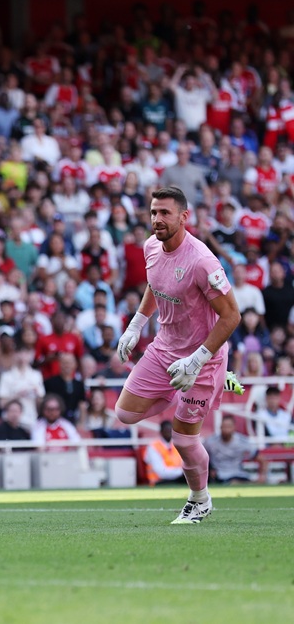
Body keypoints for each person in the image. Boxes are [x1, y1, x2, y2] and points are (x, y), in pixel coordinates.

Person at [116, 186, 241, 524]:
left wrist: (198, 361)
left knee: (184, 439)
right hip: (165, 348)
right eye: (154, 212)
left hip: (203, 357)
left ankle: (199, 500)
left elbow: (232, 316)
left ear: (184, 217)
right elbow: (156, 285)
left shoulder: (202, 261)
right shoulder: (151, 247)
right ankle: (187, 389)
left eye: (165, 213)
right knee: (124, 414)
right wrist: (136, 325)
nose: (157, 219)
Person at [204, 415, 265, 484]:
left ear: (234, 427)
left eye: (229, 426)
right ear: (220, 427)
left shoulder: (242, 441)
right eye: (224, 426)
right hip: (219, 476)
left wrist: (262, 475)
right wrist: (210, 469)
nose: (226, 429)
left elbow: (261, 459)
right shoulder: (210, 441)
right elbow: (200, 458)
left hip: (238, 474)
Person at [144, 420, 186, 485]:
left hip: (177, 478)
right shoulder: (153, 447)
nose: (169, 433)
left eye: (170, 430)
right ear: (161, 432)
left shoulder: (177, 445)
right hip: (158, 482)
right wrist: (182, 472)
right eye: (166, 430)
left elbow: (184, 464)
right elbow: (161, 472)